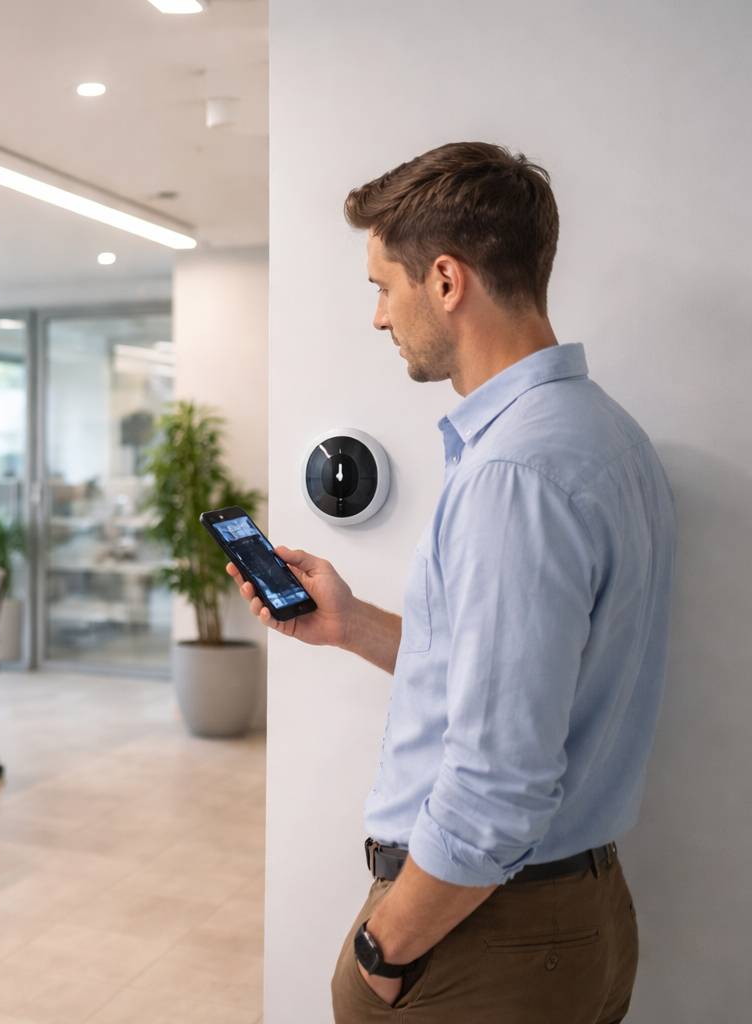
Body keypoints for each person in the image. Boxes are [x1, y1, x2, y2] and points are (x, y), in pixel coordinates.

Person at [236, 143, 674, 1022]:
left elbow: (498, 778)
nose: (378, 317)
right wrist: (353, 623)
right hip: (566, 916)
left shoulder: (516, 472)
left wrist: (382, 948)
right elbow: (524, 682)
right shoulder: (605, 435)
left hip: (485, 933)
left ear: (445, 280)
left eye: (381, 286)